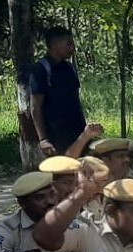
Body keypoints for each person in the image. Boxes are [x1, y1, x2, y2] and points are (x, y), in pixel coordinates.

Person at [30, 26, 86, 156]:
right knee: (62, 173)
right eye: (69, 44)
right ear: (55, 44)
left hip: (77, 132)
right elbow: (35, 107)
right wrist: (43, 140)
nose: (72, 48)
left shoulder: (70, 68)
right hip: (56, 135)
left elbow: (76, 100)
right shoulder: (41, 70)